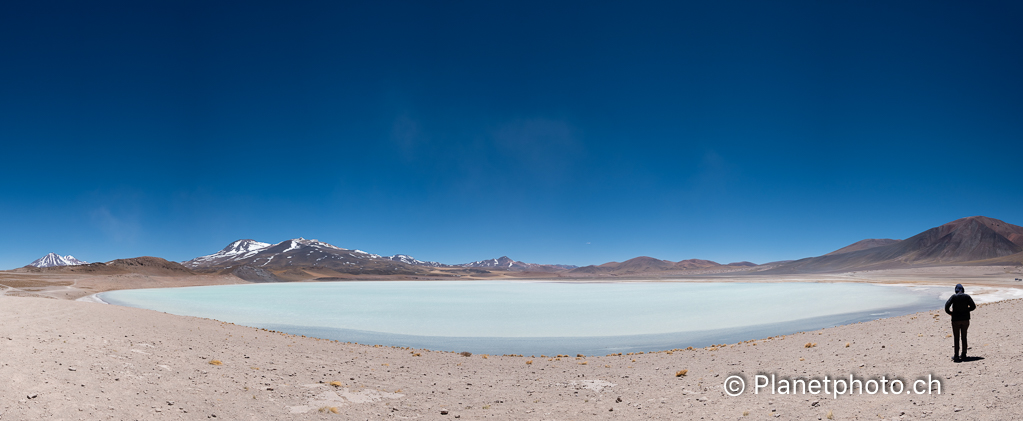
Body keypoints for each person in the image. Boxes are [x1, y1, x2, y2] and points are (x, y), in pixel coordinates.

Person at [944, 284, 976, 362]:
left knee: (956, 337)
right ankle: (964, 354)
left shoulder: (954, 297)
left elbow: (946, 306)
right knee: (964, 336)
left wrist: (950, 313)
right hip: (965, 319)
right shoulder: (967, 297)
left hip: (955, 320)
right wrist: (967, 310)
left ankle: (956, 356)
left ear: (956, 290)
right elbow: (973, 307)